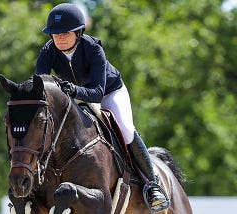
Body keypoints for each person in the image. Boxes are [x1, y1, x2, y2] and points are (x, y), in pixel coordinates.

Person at [35, 3, 169, 212]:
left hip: (108, 92)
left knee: (125, 129)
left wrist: (72, 90)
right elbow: (41, 84)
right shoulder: (48, 51)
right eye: (54, 33)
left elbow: (97, 92)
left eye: (65, 33)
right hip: (73, 95)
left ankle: (152, 185)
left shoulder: (93, 49)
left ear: (78, 32)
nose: (59, 38)